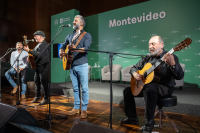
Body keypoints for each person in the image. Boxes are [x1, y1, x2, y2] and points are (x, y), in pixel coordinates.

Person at [120, 36, 184, 133]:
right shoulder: (147, 58)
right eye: (149, 44)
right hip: (148, 86)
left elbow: (179, 76)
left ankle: (149, 123)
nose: (150, 46)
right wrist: (135, 74)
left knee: (149, 88)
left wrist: (173, 65)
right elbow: (133, 68)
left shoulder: (171, 57)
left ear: (161, 45)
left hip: (164, 87)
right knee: (127, 91)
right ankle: (132, 118)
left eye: (153, 44)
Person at [59, 15, 92, 118]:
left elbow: (86, 49)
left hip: (82, 65)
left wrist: (74, 49)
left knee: (84, 89)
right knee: (76, 88)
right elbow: (63, 46)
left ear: (81, 23)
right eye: (73, 20)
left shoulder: (87, 35)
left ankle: (84, 109)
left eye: (75, 20)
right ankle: (76, 107)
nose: (73, 22)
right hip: (71, 65)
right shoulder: (70, 36)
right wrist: (61, 52)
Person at [24, 31, 49, 105]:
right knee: (36, 80)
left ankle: (46, 98)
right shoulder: (38, 45)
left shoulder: (44, 44)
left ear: (41, 36)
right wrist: (30, 55)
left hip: (43, 66)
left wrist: (29, 51)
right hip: (38, 66)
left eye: (36, 36)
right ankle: (38, 96)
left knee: (43, 82)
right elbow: (34, 53)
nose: (34, 37)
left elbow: (40, 55)